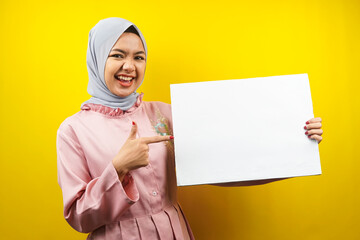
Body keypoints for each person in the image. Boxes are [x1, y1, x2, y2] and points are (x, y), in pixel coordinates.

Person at [56, 17, 323, 240]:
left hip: (173, 232)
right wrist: (119, 167)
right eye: (117, 55)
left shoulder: (163, 113)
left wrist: (297, 141)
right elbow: (79, 217)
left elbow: (227, 158)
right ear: (97, 58)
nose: (130, 66)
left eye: (139, 57)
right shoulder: (73, 130)